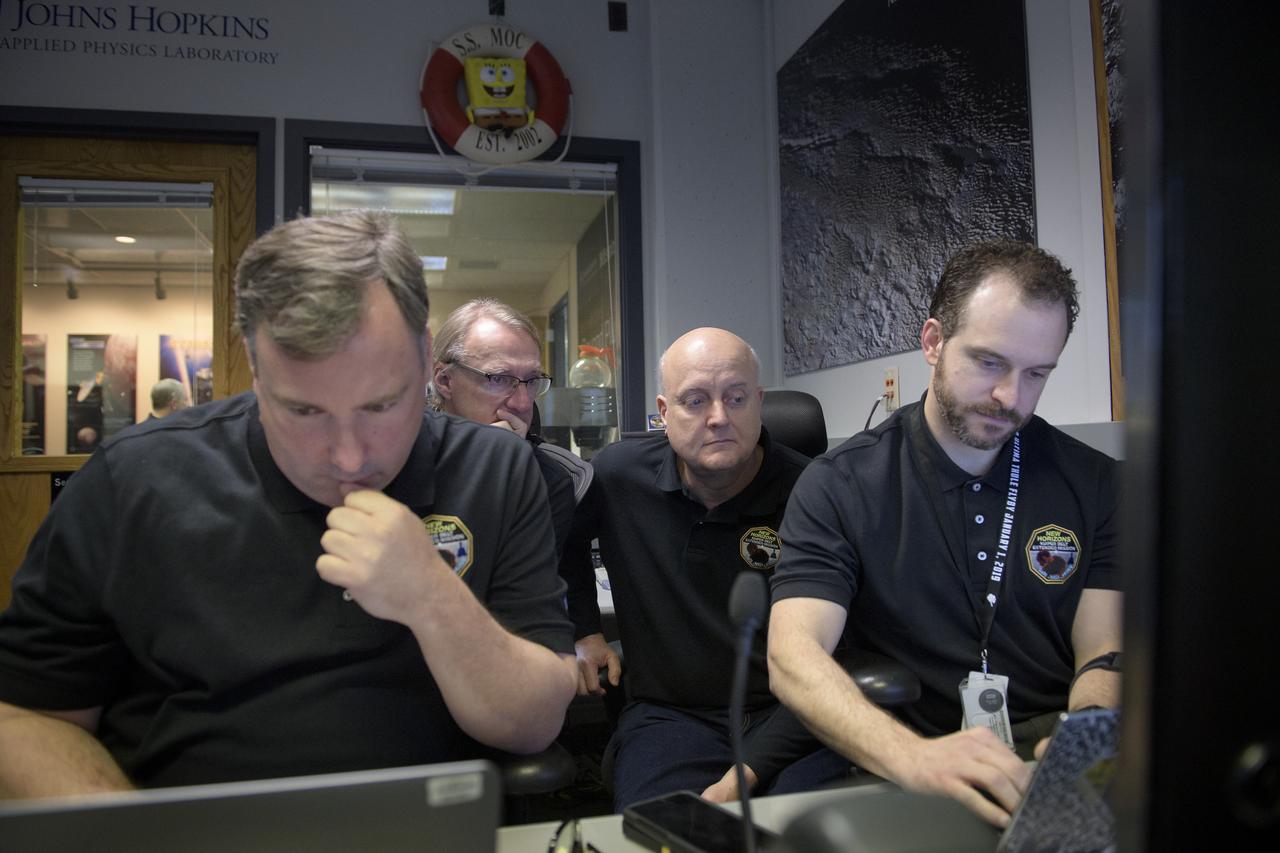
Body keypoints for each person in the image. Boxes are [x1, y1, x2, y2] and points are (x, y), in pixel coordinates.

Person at [0, 211, 578, 799]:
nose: (351, 459)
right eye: (304, 412)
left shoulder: (495, 468)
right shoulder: (135, 478)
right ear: (254, 369)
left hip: (425, 824)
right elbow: (25, 717)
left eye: (382, 405)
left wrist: (432, 597)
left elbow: (534, 725)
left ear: (425, 357)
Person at [767, 239, 1122, 828]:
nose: (1012, 397)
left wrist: (1083, 739)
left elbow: (1104, 652)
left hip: (1041, 748)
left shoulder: (1096, 484)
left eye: (1037, 373)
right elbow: (793, 655)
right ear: (932, 342)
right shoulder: (841, 484)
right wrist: (916, 760)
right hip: (902, 748)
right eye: (989, 362)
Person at [565, 327, 849, 811]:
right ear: (663, 412)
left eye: (736, 398)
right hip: (670, 718)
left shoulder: (816, 493)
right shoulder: (617, 476)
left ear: (758, 402)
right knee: (662, 832)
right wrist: (586, 631)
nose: (719, 418)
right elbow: (565, 546)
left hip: (796, 713)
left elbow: (845, 651)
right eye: (695, 401)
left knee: (805, 834)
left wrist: (750, 771)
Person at [428, 299, 585, 557]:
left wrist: (500, 472)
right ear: (445, 380)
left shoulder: (550, 480)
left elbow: (508, 585)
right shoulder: (399, 458)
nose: (523, 403)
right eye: (498, 379)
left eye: (532, 380)